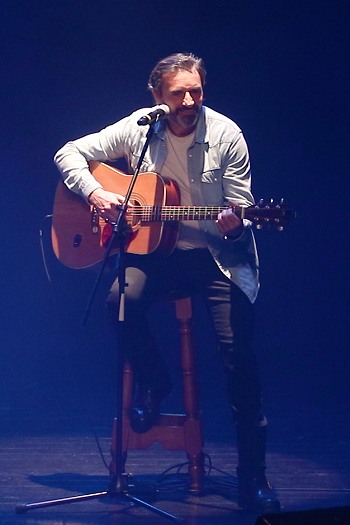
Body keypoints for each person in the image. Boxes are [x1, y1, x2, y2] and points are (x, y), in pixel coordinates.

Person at [54, 52, 280, 513]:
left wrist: (238, 222)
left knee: (238, 357)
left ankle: (253, 477)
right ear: (157, 96)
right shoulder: (142, 126)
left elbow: (240, 207)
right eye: (178, 93)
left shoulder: (226, 134)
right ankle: (156, 383)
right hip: (160, 254)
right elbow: (68, 152)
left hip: (218, 257)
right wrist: (97, 192)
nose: (189, 100)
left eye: (196, 90)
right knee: (120, 302)